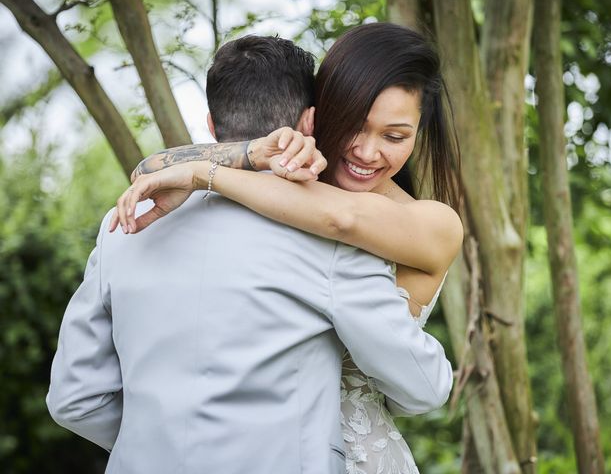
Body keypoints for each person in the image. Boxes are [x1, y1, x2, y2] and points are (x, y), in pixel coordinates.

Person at [46, 34, 453, 474]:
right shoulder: (321, 242)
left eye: (395, 135)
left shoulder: (122, 229)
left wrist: (161, 447)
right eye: (355, 124)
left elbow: (74, 399)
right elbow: (421, 387)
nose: (368, 151)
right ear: (313, 119)